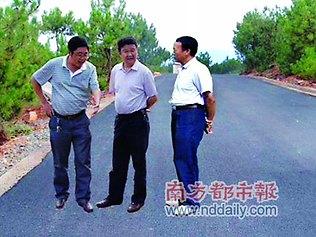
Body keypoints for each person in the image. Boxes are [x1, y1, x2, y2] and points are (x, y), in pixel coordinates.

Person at [31, 36, 101, 213]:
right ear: (69, 53)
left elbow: (95, 88)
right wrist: (45, 103)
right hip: (59, 122)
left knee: (83, 161)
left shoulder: (89, 69)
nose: (82, 58)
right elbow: (35, 80)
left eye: (85, 54)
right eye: (79, 55)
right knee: (60, 162)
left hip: (80, 122)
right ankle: (61, 194)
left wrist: (97, 100)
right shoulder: (55, 65)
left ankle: (83, 198)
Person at [96, 37, 158, 213]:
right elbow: (113, 92)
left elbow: (153, 97)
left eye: (133, 50)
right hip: (121, 121)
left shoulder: (144, 72)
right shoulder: (116, 70)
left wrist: (140, 109)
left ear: (137, 51)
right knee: (118, 162)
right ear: (120, 53)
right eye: (126, 51)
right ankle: (114, 197)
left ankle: (138, 199)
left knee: (139, 162)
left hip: (138, 122)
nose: (130, 54)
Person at [169, 36, 216, 207]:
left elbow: (209, 98)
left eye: (176, 49)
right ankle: (188, 196)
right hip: (179, 115)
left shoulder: (199, 69)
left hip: (191, 115)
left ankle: (190, 201)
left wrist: (209, 120)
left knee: (184, 157)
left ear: (187, 51)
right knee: (184, 156)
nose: (174, 51)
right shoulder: (184, 69)